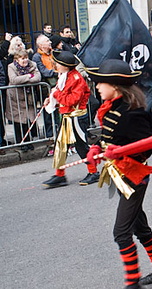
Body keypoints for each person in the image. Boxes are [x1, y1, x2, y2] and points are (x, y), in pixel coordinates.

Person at [85, 59, 152, 289]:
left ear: (116, 85)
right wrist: (96, 148)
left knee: (121, 232)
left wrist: (118, 151)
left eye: (101, 82)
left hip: (134, 176)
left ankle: (132, 286)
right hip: (119, 174)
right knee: (138, 225)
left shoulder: (132, 111)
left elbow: (146, 149)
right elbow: (108, 138)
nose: (97, 87)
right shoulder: (113, 106)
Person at [42, 50, 99, 187]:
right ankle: (59, 175)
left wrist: (56, 96)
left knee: (81, 146)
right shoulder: (64, 76)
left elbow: (72, 100)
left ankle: (93, 172)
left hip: (76, 117)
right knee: (60, 146)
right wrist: (50, 100)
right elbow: (59, 94)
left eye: (57, 63)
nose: (55, 65)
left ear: (65, 65)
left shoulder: (76, 79)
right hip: (67, 116)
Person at [5, 50, 41, 149]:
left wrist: (24, 80)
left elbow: (38, 77)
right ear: (17, 59)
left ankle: (29, 142)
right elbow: (14, 80)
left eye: (26, 58)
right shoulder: (11, 66)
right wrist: (29, 76)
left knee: (29, 120)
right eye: (22, 58)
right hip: (15, 98)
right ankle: (21, 143)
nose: (25, 60)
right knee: (18, 121)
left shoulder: (32, 64)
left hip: (28, 97)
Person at [32, 34, 60, 138]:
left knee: (57, 111)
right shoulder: (37, 57)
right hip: (45, 88)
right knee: (48, 112)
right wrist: (56, 72)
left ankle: (58, 131)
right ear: (41, 45)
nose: (50, 42)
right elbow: (43, 72)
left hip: (56, 86)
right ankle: (50, 134)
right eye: (47, 41)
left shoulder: (53, 54)